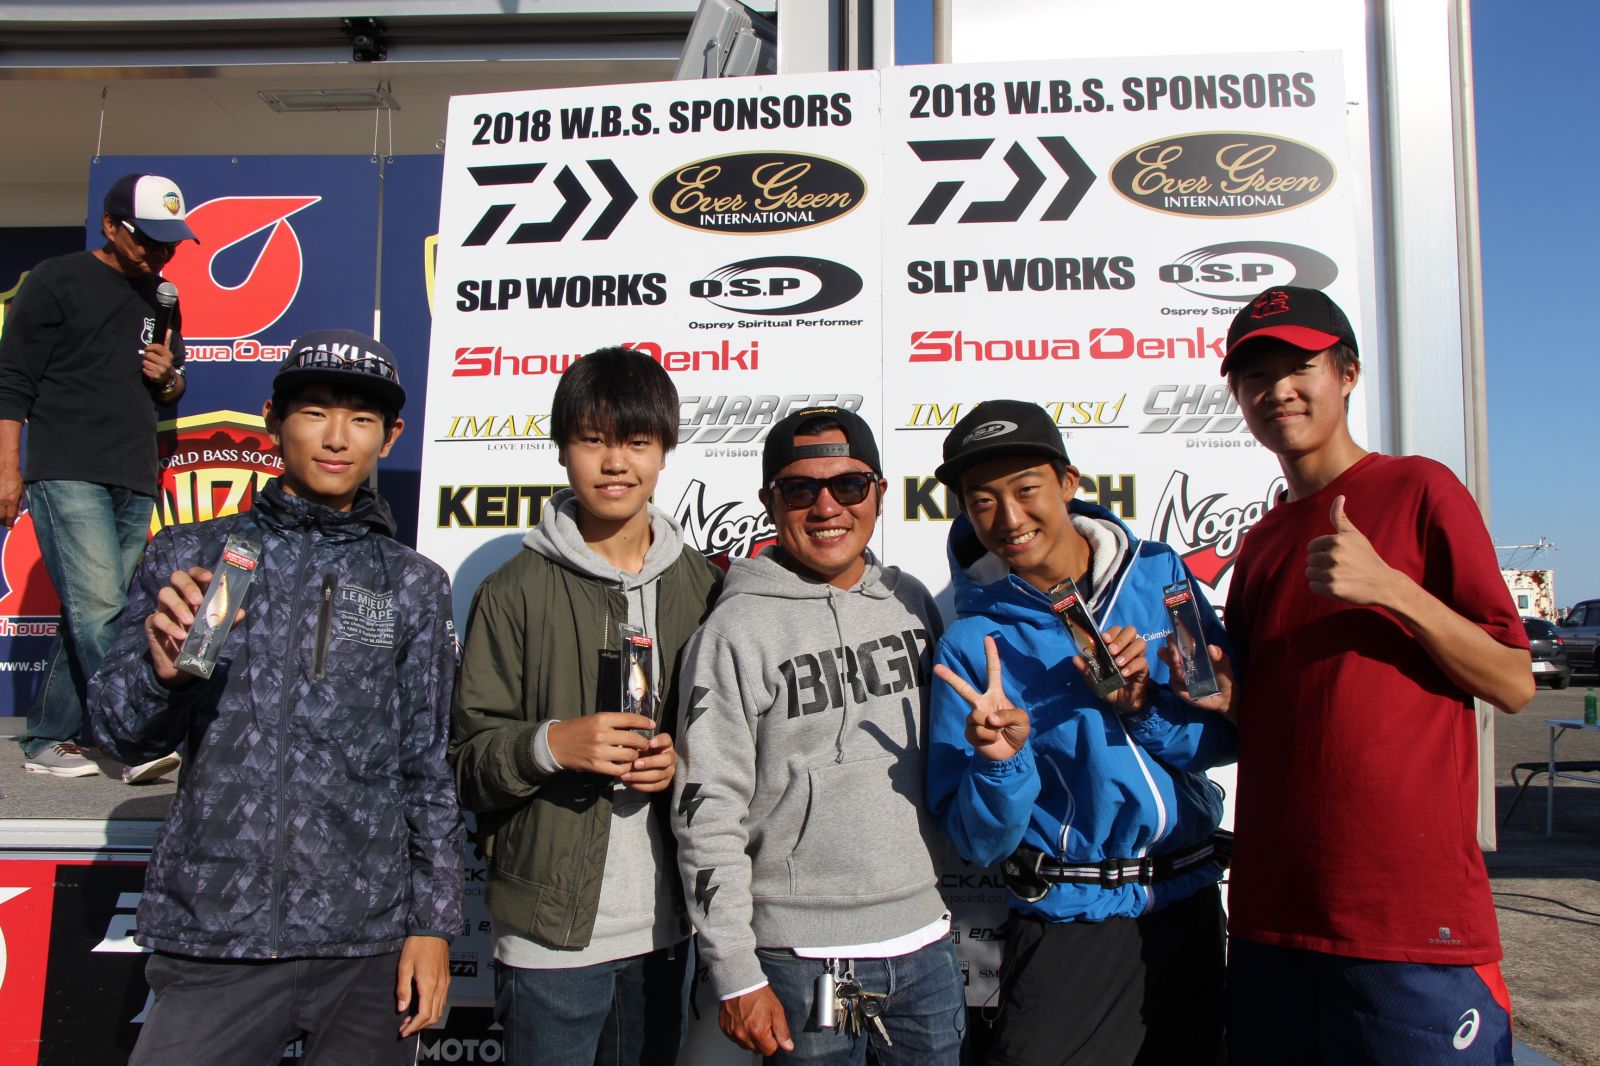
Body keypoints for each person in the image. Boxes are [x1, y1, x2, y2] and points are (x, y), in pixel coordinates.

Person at [87, 329, 464, 1064]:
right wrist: (162, 678)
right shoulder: (189, 555)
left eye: (361, 419)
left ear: (389, 437)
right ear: (273, 419)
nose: (336, 437)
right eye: (314, 412)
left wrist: (434, 924)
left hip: (367, 944)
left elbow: (428, 766)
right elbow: (118, 734)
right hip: (216, 934)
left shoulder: (412, 582)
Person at [1218, 286, 1534, 1065]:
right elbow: (1259, 715)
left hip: (1407, 923)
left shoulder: (1419, 489)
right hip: (1273, 915)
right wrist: (1205, 692)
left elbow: (1513, 681)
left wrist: (1391, 588)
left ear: (1348, 373)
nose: (1277, 390)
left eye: (1300, 366)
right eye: (1255, 375)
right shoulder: (1260, 542)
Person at [924, 399, 1237, 1066]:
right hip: (1073, 925)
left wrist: (1143, 706)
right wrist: (1000, 765)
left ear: (1068, 483)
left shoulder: (1161, 575)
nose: (1009, 518)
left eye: (1026, 489)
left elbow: (1221, 743)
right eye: (982, 500)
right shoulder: (971, 642)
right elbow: (978, 840)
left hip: (1189, 907)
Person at [450, 346, 722, 1066]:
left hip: (670, 928)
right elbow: (464, 765)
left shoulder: (704, 586)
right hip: (549, 937)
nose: (614, 463)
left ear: (664, 450)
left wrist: (680, 763)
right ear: (562, 448)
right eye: (593, 440)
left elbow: (733, 746)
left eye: (636, 441)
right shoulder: (510, 590)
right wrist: (551, 745)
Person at [672, 405, 964, 1065]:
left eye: (849, 485)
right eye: (801, 489)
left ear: (879, 493)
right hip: (798, 961)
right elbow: (705, 809)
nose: (827, 507)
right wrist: (735, 973)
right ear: (770, 503)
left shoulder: (911, 603)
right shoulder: (733, 630)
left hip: (926, 945)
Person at [0, 172, 194, 782]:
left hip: (133, 473)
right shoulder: (56, 279)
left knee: (92, 609)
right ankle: (136, 735)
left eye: (170, 243)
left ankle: (48, 736)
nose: (159, 253)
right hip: (67, 468)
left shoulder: (163, 297)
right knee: (102, 608)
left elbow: (171, 389)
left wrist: (169, 377)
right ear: (110, 226)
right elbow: (12, 381)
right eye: (147, 239)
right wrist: (7, 468)